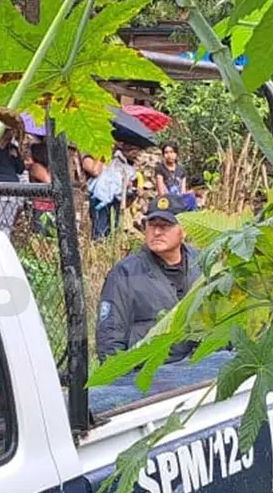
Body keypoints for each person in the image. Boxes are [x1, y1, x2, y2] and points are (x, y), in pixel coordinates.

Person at [96, 195, 198, 361]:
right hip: (148, 376)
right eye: (152, 225)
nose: (157, 232)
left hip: (202, 372)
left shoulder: (203, 265)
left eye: (165, 226)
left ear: (184, 230)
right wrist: (121, 383)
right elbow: (109, 339)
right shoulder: (125, 274)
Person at [85, 148, 135, 239]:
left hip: (115, 198)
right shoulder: (88, 158)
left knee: (113, 230)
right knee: (100, 232)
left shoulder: (116, 159)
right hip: (99, 200)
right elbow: (95, 171)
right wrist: (102, 154)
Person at [0, 131, 25, 236]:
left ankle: (6, 242)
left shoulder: (12, 148)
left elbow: (20, 169)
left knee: (8, 223)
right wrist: (0, 148)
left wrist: (16, 157)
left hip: (13, 187)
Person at [154, 143, 197, 210]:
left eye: (171, 152)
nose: (169, 155)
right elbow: (161, 192)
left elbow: (182, 191)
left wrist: (189, 193)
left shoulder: (182, 170)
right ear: (163, 155)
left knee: (191, 198)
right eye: (166, 152)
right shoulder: (160, 169)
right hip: (167, 200)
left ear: (176, 154)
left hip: (179, 199)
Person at [26, 141, 54, 234]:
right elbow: (49, 181)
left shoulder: (38, 166)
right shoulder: (39, 167)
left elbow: (48, 180)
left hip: (45, 206)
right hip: (45, 205)